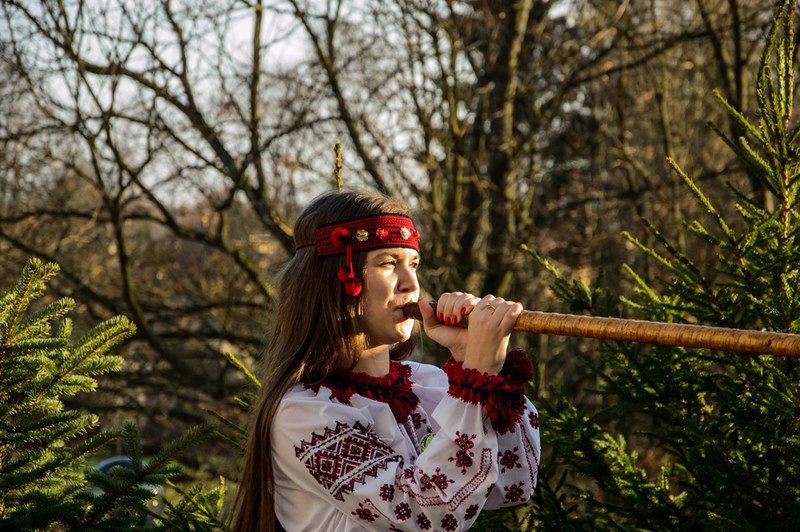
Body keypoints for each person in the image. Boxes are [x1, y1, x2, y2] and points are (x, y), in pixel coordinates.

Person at [230, 191, 540, 531]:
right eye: (389, 264)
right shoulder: (306, 414)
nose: (411, 284)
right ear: (335, 281)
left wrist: (474, 365)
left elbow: (514, 481)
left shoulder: (428, 383)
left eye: (413, 264)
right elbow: (428, 515)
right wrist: (476, 381)